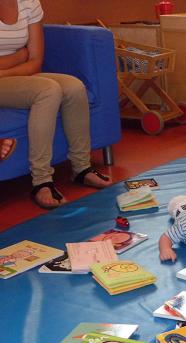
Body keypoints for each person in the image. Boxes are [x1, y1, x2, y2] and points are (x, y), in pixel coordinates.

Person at [0, 0, 111, 209]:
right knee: (47, 90)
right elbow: (26, 56)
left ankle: (81, 168)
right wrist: (20, 56)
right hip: (13, 75)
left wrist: (10, 67)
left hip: (15, 75)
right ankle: (41, 181)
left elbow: (35, 60)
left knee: (74, 87)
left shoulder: (29, 3)